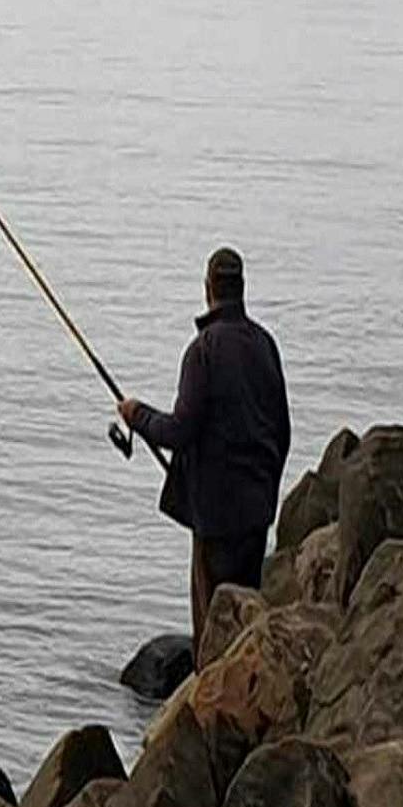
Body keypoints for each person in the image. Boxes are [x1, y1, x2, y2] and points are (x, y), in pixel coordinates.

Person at [116, 247, 292, 647]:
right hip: (255, 512)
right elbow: (282, 431)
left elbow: (178, 431)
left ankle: (212, 702)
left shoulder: (203, 351)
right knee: (246, 625)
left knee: (213, 631)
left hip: (216, 520)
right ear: (241, 288)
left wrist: (136, 414)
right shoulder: (265, 345)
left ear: (208, 289)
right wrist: (266, 490)